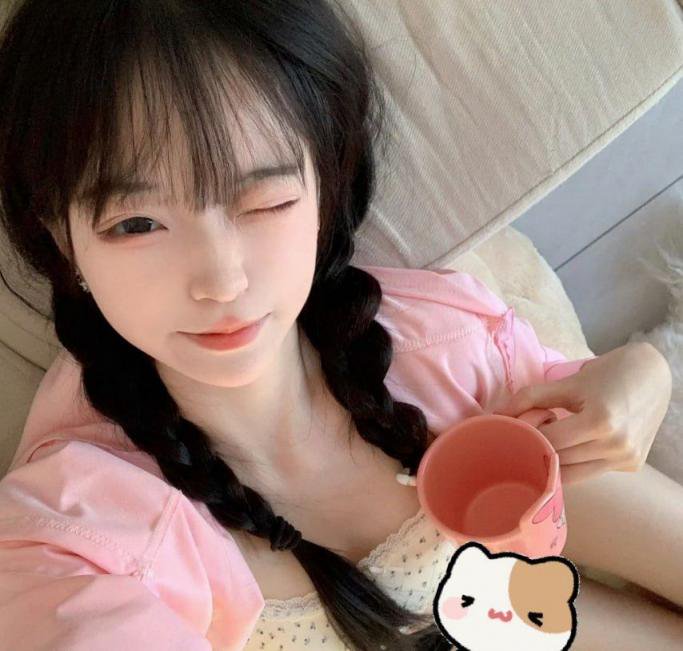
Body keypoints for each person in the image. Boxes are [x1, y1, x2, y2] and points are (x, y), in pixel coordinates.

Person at [0, 1, 681, 650]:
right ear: (61, 237)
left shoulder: (437, 348)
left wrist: (642, 376)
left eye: (265, 200)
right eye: (138, 223)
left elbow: (577, 417)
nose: (222, 282)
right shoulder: (76, 532)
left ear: (326, 188)